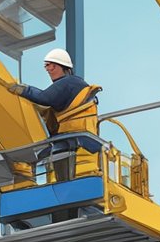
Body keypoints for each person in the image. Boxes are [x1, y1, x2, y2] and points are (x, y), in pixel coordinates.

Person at [6, 48, 102, 182]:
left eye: (52, 65)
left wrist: (24, 90)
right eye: (46, 66)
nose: (48, 69)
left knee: (36, 157)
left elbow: (45, 98)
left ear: (64, 67)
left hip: (75, 140)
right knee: (51, 161)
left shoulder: (70, 83)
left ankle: (26, 178)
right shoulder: (72, 88)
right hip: (75, 140)